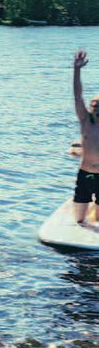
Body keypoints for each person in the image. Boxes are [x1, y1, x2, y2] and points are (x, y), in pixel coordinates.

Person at [71, 50, 99, 231]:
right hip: (85, 174)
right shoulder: (85, 120)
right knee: (80, 222)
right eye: (94, 105)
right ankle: (88, 210)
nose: (96, 108)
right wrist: (77, 70)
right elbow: (77, 95)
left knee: (97, 221)